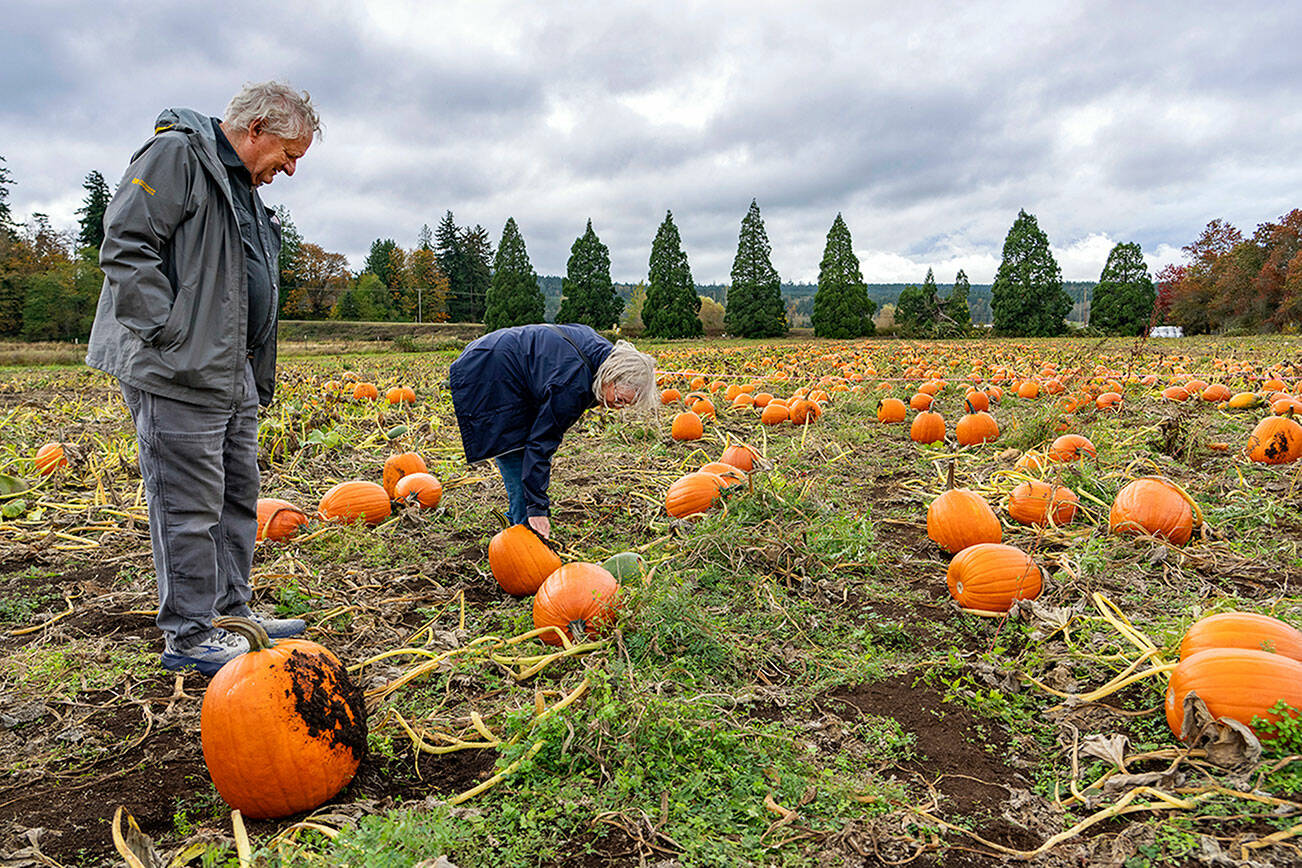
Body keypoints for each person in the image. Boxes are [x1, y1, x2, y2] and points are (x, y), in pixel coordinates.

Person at [86, 82, 321, 675]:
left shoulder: (240, 186)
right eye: (289, 154)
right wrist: (167, 331)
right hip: (178, 369)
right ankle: (189, 635)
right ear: (257, 130)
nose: (289, 170)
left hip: (230, 370)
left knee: (237, 497)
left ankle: (231, 615)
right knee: (188, 509)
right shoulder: (177, 155)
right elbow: (125, 242)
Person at [449, 324, 657, 538]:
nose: (618, 407)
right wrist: (537, 509)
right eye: (620, 399)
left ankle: (520, 519)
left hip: (505, 364)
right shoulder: (573, 384)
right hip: (488, 372)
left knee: (522, 446)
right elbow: (541, 444)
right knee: (513, 449)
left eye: (626, 404)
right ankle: (524, 530)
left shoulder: (602, 356)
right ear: (611, 377)